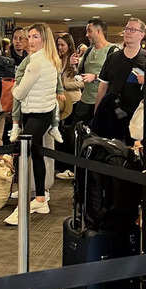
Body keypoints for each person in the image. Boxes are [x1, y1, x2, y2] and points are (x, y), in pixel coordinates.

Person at [4, 23, 61, 225]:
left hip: (36, 115)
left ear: (44, 39)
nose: (31, 40)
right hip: (40, 114)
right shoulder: (50, 60)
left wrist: (15, 87)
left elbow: (18, 93)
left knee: (23, 155)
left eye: (35, 36)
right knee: (36, 154)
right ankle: (40, 199)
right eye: (30, 36)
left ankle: (24, 206)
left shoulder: (36, 63)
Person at [91, 18, 146, 144]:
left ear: (142, 34)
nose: (128, 32)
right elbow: (103, 87)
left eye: (132, 29)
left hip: (134, 116)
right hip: (112, 114)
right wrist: (97, 112)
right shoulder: (113, 58)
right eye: (126, 29)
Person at [70, 19, 118, 123]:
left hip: (102, 102)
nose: (87, 35)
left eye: (89, 31)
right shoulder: (88, 51)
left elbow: (115, 78)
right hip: (84, 101)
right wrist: (73, 65)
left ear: (99, 31)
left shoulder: (113, 50)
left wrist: (95, 77)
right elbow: (79, 74)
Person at [55, 33, 83, 180]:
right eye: (58, 44)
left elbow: (82, 81)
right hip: (61, 102)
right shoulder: (57, 59)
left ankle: (70, 167)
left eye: (62, 45)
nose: (60, 47)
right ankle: (61, 165)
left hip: (73, 102)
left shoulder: (75, 59)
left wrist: (66, 83)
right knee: (60, 133)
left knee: (70, 135)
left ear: (69, 45)